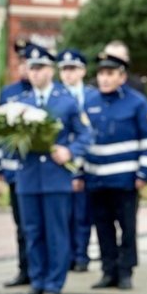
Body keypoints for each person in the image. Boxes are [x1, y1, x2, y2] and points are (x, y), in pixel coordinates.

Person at [15, 44, 90, 294]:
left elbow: (85, 134)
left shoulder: (66, 101)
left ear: (50, 70)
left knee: (56, 231)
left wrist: (70, 151)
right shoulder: (20, 103)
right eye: (31, 68)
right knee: (33, 231)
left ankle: (54, 282)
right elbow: (7, 143)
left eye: (40, 68)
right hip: (28, 176)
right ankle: (37, 279)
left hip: (55, 177)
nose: (35, 73)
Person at [83, 51, 147, 290]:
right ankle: (108, 271)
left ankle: (126, 271)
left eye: (110, 73)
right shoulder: (89, 102)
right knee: (102, 227)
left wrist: (143, 172)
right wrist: (79, 173)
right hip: (96, 178)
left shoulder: (137, 102)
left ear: (122, 77)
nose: (104, 79)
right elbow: (81, 139)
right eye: (101, 74)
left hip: (125, 179)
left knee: (127, 228)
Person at [0, 40, 33, 288]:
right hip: (14, 171)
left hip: (37, 171)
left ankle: (41, 270)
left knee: (37, 225)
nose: (25, 67)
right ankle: (24, 269)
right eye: (22, 62)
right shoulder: (8, 93)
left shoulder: (47, 93)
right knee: (21, 225)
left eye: (30, 63)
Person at [57, 48, 96, 272]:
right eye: (64, 69)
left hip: (90, 162)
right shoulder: (56, 96)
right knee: (65, 213)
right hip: (63, 162)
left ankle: (81, 254)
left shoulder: (92, 96)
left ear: (82, 71)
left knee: (83, 213)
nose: (68, 74)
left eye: (72, 69)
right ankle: (67, 255)